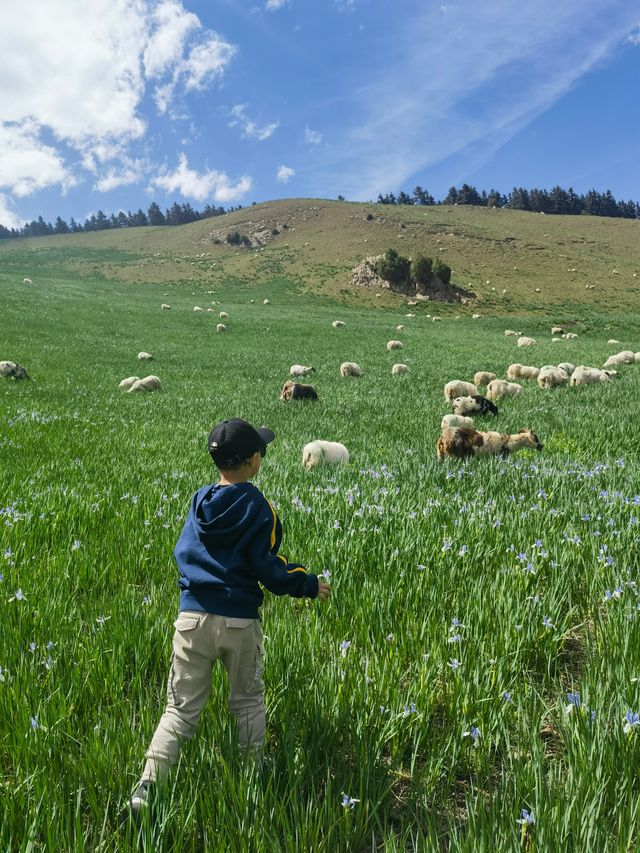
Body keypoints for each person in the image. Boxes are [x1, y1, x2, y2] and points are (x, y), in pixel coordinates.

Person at [128, 418, 330, 812]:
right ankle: (253, 776)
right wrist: (307, 583)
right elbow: (269, 568)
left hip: (192, 621)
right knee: (247, 701)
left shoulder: (198, 501)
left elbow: (183, 553)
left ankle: (148, 785)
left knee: (180, 709)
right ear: (253, 461)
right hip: (239, 622)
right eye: (262, 453)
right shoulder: (259, 507)